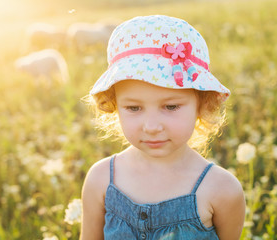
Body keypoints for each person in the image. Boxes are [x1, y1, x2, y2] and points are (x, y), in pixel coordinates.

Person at [80, 15, 245, 240]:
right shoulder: (101, 179)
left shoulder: (222, 189)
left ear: (202, 104)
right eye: (134, 108)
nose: (152, 126)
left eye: (170, 106)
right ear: (114, 105)